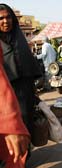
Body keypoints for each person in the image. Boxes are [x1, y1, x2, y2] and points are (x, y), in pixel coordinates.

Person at [0, 4, 42, 147]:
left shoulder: (20, 38)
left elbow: (28, 62)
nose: (5, 21)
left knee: (24, 121)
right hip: (4, 91)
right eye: (1, 18)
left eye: (8, 17)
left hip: (24, 89)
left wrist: (33, 88)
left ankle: (23, 159)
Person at [0, 44, 30, 168]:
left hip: (18, 93)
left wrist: (11, 121)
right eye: (1, 20)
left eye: (8, 20)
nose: (5, 21)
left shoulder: (20, 42)